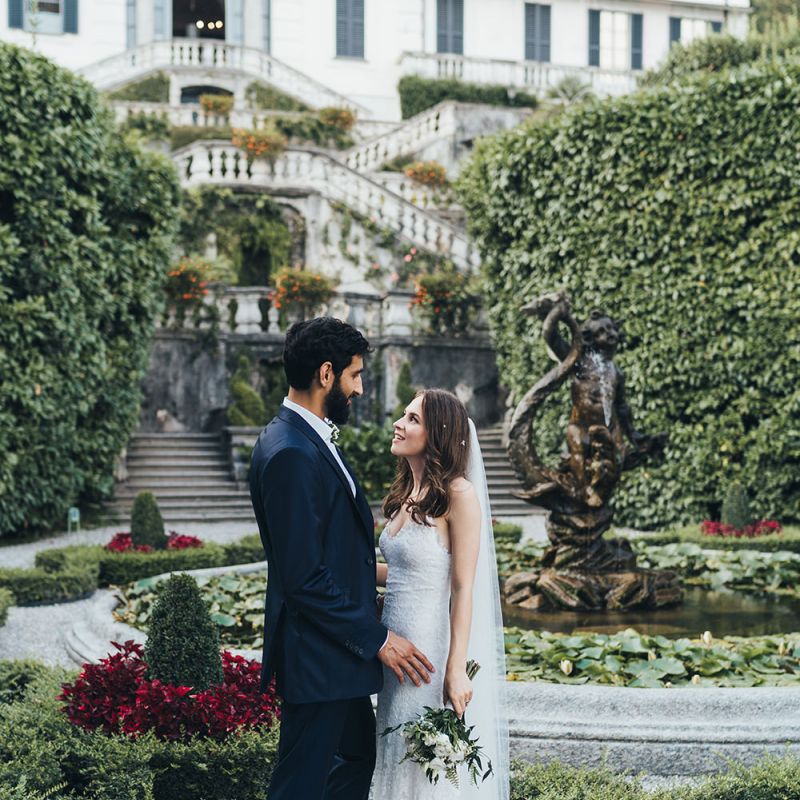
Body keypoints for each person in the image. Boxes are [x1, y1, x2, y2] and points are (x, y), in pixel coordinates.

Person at [249, 317, 435, 800]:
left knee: (354, 760)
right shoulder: (290, 452)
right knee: (301, 785)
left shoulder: (304, 437)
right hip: (317, 657)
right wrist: (378, 639)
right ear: (326, 374)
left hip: (333, 653)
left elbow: (329, 555)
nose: (359, 388)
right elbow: (304, 577)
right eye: (355, 375)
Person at [374, 389, 510, 799]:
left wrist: (456, 669)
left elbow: (464, 586)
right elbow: (407, 573)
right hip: (391, 647)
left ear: (438, 433)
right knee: (391, 746)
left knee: (417, 760)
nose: (399, 424)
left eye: (412, 419)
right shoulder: (406, 495)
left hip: (427, 653)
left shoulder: (459, 494)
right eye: (404, 415)